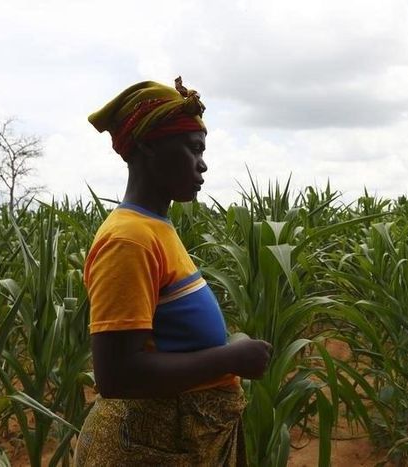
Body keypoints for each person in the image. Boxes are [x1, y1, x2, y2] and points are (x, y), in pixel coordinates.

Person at [74, 77, 272, 466]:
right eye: (193, 148)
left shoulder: (155, 227)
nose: (203, 163)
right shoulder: (129, 239)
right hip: (150, 448)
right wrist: (231, 359)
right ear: (149, 144)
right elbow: (118, 376)